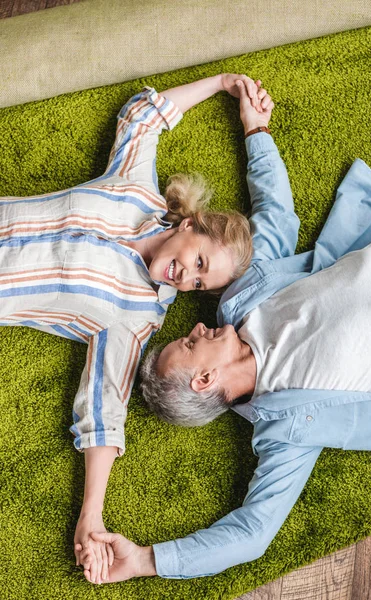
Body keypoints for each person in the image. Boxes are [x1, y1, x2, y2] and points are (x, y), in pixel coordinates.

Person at [79, 78, 371, 583]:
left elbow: (275, 216)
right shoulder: (287, 428)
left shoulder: (244, 300)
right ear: (203, 382)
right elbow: (253, 532)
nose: (200, 326)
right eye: (189, 343)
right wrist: (145, 559)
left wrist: (257, 131)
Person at [0, 74, 261, 574]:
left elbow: (103, 409)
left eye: (201, 285)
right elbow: (144, 115)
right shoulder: (135, 192)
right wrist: (223, 83)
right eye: (200, 261)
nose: (189, 278)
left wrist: (90, 515)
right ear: (189, 225)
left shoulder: (136, 316)